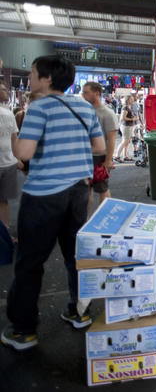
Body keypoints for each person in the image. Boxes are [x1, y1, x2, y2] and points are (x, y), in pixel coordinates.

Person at [2, 55, 105, 351]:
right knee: (75, 256)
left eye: (34, 73)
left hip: (45, 194)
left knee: (30, 261)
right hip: (78, 192)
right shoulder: (85, 106)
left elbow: (24, 153)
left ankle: (23, 331)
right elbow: (99, 147)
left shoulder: (39, 107)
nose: (31, 78)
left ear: (47, 79)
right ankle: (79, 312)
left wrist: (15, 137)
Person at [81, 82, 117, 214]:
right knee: (85, 191)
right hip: (86, 157)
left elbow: (111, 139)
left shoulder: (107, 113)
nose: (83, 95)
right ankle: (83, 222)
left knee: (102, 189)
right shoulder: (85, 111)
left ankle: (104, 219)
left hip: (100, 158)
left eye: (86, 92)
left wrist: (108, 160)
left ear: (97, 93)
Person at [0, 79, 20, 232]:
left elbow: (14, 138)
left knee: (4, 200)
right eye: (3, 89)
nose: (7, 91)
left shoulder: (9, 113)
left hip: (8, 163)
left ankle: (4, 230)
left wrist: (17, 157)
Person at [113, 95, 137, 162]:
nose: (133, 100)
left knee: (127, 141)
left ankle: (125, 156)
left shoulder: (128, 107)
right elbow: (123, 118)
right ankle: (117, 156)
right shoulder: (125, 107)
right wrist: (132, 119)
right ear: (128, 100)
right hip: (126, 126)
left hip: (128, 126)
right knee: (125, 141)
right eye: (131, 99)